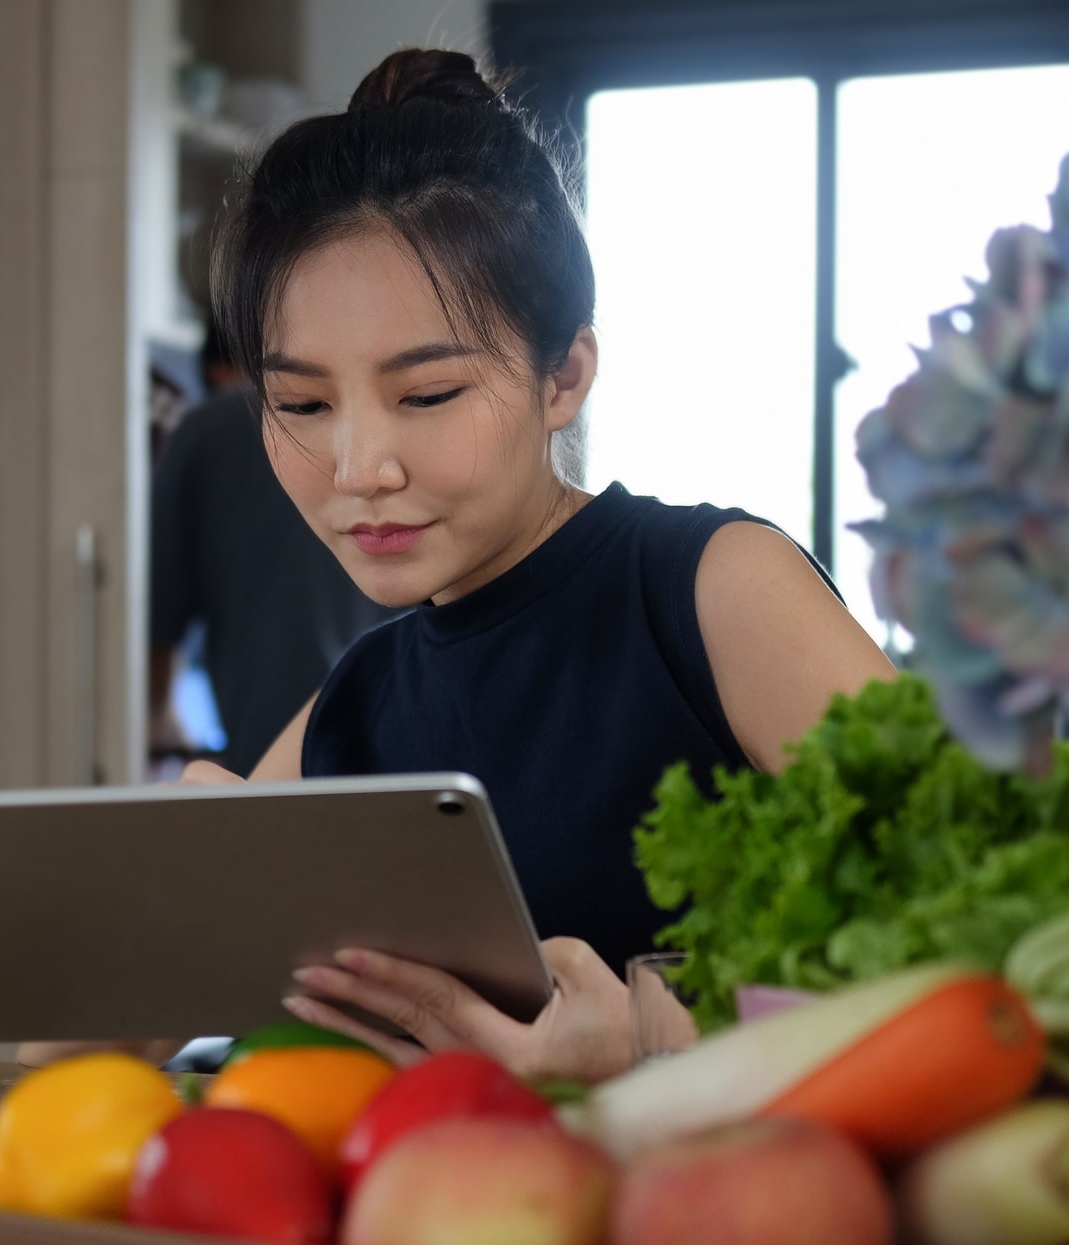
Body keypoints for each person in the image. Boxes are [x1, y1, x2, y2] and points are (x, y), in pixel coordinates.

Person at [170, 48, 896, 1084]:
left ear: (565, 375)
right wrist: (165, 901)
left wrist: (657, 1044)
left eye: (426, 396)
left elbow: (992, 953)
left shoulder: (714, 592)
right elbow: (62, 1058)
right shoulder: (360, 700)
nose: (359, 468)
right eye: (302, 404)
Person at [149, 326, 395, 778]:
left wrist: (160, 718)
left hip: (264, 746)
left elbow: (159, 613)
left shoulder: (208, 431)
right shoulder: (385, 428)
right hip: (406, 745)